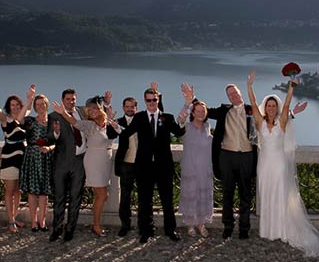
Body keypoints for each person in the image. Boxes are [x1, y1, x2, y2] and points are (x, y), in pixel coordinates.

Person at [187, 80, 306, 240]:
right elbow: (203, 111)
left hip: (247, 156)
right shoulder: (223, 110)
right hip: (227, 157)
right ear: (228, 97)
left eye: (235, 92)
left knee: (245, 194)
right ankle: (228, 227)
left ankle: (244, 228)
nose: (233, 96)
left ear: (240, 93)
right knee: (227, 194)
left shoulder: (252, 110)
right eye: (230, 94)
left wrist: (293, 113)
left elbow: (272, 119)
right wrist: (192, 98)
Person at [247, 70, 319, 256]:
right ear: (266, 107)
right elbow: (253, 103)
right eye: (269, 105)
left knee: (279, 196)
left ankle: (281, 230)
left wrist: (291, 87)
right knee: (266, 194)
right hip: (264, 166)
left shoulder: (282, 122)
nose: (271, 108)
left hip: (279, 165)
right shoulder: (259, 122)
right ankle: (268, 230)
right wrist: (249, 86)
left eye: (274, 105)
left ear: (277, 108)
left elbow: (288, 103)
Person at [109, 86, 185, 244]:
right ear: (145, 101)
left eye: (154, 100)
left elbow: (179, 132)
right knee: (144, 201)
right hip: (144, 167)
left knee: (167, 201)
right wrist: (115, 126)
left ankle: (170, 230)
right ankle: (146, 231)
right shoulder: (139, 118)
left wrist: (183, 120)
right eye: (149, 100)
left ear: (158, 100)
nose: (151, 103)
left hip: (164, 166)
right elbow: (126, 132)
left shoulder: (167, 118)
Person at [52, 94, 115, 237]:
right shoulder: (89, 125)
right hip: (94, 161)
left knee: (103, 195)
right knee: (102, 194)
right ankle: (96, 226)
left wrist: (108, 106)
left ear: (101, 109)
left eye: (95, 108)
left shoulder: (108, 123)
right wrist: (63, 113)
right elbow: (75, 122)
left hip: (105, 161)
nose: (92, 111)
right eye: (89, 109)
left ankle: (96, 222)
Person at [106, 82, 163, 238]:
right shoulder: (119, 122)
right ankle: (125, 225)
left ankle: (143, 226)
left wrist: (157, 94)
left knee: (145, 198)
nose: (130, 109)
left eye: (132, 106)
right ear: (123, 108)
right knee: (125, 197)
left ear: (136, 108)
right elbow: (111, 135)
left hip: (143, 165)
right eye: (127, 107)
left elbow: (159, 115)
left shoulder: (143, 119)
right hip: (126, 165)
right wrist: (109, 119)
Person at [0, 81, 27, 233]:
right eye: (12, 105)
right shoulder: (5, 119)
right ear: (9, 106)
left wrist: (31, 97)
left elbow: (30, 107)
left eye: (17, 104)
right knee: (9, 191)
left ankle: (14, 217)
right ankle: (10, 221)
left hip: (23, 157)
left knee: (18, 191)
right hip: (9, 158)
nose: (14, 107)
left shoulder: (24, 119)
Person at [46, 88, 86, 242]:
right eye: (68, 99)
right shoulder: (54, 116)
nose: (71, 102)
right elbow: (49, 139)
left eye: (73, 99)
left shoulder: (82, 112)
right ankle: (57, 229)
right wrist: (55, 133)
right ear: (63, 100)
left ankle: (70, 229)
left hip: (79, 162)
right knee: (59, 198)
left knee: (76, 197)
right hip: (61, 163)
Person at [176, 87, 213, 238]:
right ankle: (190, 225)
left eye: (203, 111)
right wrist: (187, 103)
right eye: (197, 111)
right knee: (191, 195)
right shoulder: (187, 127)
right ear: (193, 113)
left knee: (202, 197)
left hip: (204, 169)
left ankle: (201, 224)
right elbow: (179, 120)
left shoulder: (207, 127)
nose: (200, 113)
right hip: (190, 168)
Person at [19, 86, 54, 232]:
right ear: (34, 107)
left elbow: (57, 141)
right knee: (33, 192)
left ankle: (42, 220)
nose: (41, 106)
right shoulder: (30, 121)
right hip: (33, 157)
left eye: (43, 104)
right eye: (38, 104)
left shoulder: (53, 121)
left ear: (47, 105)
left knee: (44, 192)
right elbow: (19, 120)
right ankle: (33, 221)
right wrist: (28, 100)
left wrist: (49, 148)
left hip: (47, 157)